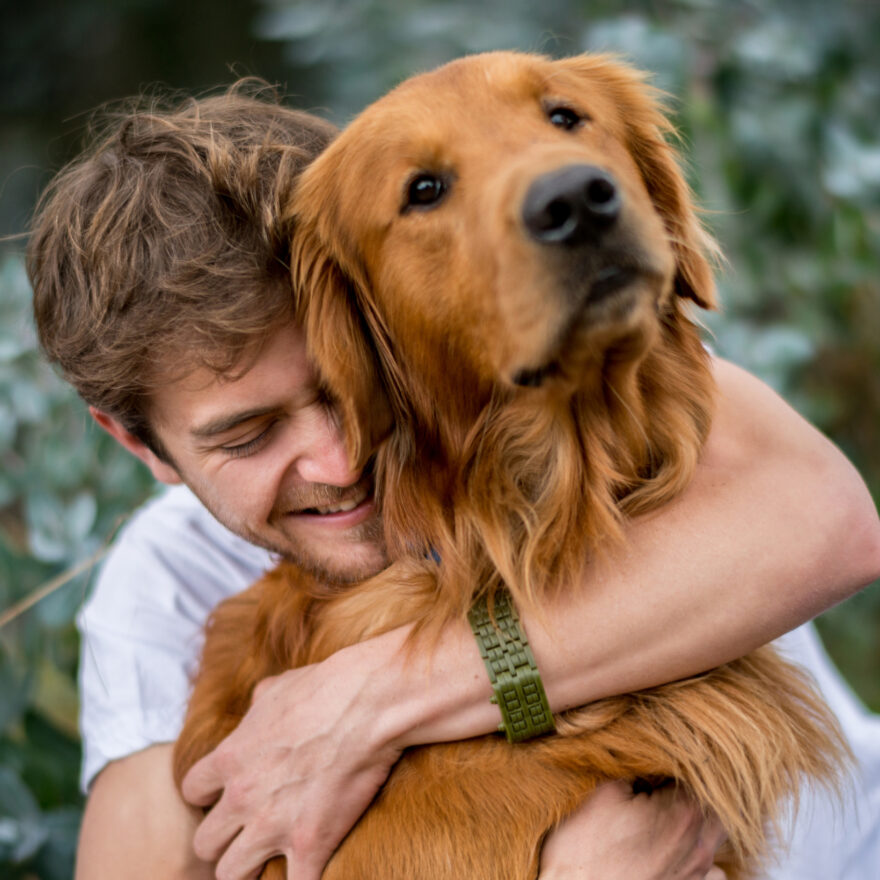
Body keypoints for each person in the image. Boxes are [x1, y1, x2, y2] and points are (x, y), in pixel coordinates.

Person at [27, 83, 880, 880]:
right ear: (142, 446)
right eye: (247, 437)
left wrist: (375, 697)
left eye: (349, 382)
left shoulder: (574, 396)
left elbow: (833, 523)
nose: (341, 459)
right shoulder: (166, 588)